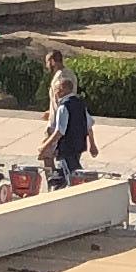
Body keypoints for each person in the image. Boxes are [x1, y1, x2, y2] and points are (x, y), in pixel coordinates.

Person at [40, 47, 97, 189]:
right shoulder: (68, 74)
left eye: (47, 62)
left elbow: (60, 128)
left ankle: (55, 183)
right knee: (70, 161)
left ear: (52, 61)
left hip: (59, 123)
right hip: (61, 119)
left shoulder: (61, 78)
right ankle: (59, 181)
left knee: (51, 155)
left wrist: (44, 146)